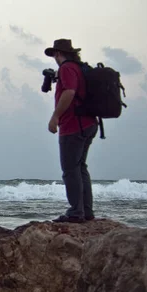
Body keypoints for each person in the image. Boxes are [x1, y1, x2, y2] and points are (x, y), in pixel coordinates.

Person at [44, 39, 98, 223]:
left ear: (59, 53)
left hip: (74, 125)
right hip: (89, 123)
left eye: (54, 55)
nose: (54, 59)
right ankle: (86, 211)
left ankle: (76, 212)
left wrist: (55, 117)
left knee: (70, 170)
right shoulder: (80, 68)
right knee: (80, 167)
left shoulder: (67, 68)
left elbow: (69, 92)